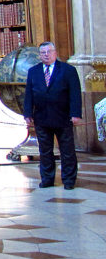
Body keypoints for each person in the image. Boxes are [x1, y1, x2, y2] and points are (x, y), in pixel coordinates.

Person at [23, 41, 82, 189]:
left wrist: (75, 114)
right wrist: (28, 113)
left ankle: (68, 180)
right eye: (43, 53)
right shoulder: (33, 71)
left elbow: (75, 94)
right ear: (39, 55)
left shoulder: (68, 70)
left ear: (55, 53)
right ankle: (47, 179)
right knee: (45, 151)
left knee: (67, 151)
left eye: (49, 52)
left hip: (63, 117)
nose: (46, 55)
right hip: (42, 117)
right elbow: (29, 94)